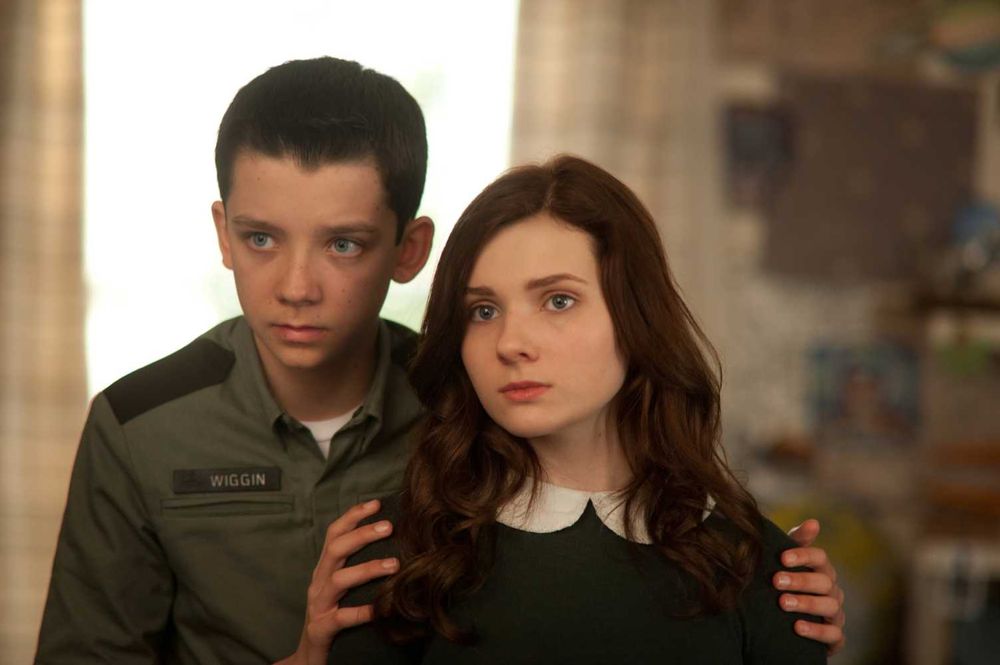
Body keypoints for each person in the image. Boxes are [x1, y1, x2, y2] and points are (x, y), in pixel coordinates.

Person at [35, 58, 843, 663]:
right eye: (261, 238)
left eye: (344, 243)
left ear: (408, 249)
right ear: (223, 232)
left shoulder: (476, 397)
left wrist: (775, 587)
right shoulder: (139, 426)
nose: (296, 287)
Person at [316, 155, 831, 663]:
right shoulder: (386, 557)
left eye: (558, 301)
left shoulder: (763, 569)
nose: (510, 343)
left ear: (636, 315)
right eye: (483, 310)